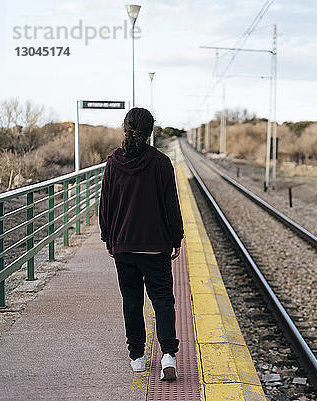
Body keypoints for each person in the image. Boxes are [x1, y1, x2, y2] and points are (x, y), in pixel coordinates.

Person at [99, 107, 184, 381]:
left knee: (132, 301)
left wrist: (108, 238)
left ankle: (137, 357)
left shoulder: (113, 163)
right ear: (150, 132)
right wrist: (176, 237)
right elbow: (171, 204)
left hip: (123, 245)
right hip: (156, 245)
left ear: (126, 129)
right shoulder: (161, 162)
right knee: (162, 299)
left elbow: (105, 206)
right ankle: (168, 355)